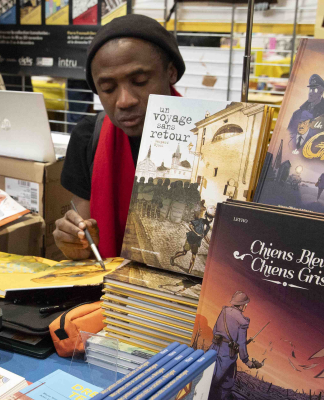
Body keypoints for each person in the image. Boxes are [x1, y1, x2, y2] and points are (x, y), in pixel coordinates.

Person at [53, 14, 185, 260]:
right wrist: (73, 242)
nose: (124, 101)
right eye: (108, 89)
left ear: (171, 72)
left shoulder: (205, 137)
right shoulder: (87, 138)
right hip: (111, 291)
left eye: (139, 81)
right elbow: (85, 241)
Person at [208, 291, 263, 400]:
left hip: (214, 349)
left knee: (211, 378)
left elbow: (215, 331)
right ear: (242, 304)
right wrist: (247, 361)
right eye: (245, 303)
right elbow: (241, 344)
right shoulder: (243, 322)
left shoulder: (224, 311)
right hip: (228, 355)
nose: (246, 305)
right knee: (224, 383)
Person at [170, 205, 215, 274]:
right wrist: (196, 233)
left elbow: (205, 236)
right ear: (206, 216)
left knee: (193, 257)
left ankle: (189, 273)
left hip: (196, 242)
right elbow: (190, 225)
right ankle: (173, 257)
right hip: (190, 239)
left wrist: (210, 243)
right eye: (209, 217)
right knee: (184, 253)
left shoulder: (208, 227)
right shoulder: (200, 221)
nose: (210, 219)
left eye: (211, 218)